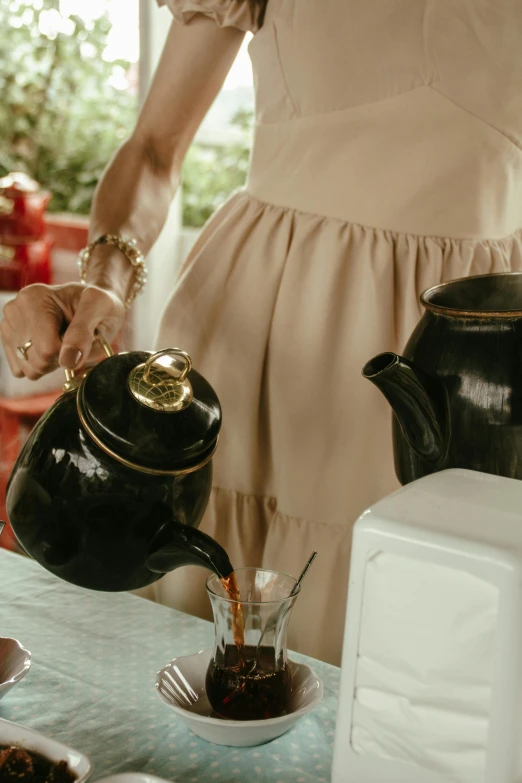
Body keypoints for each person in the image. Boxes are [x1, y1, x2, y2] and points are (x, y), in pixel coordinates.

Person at [2, 0, 522, 665]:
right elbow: (155, 150)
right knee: (215, 659)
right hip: (270, 338)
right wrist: (105, 277)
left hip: (473, 360)